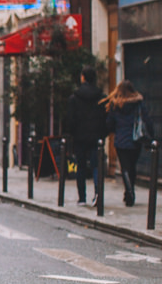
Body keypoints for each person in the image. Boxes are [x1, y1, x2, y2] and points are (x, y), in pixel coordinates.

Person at [64, 66, 108, 206]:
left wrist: (71, 134)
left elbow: (70, 120)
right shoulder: (101, 97)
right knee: (96, 166)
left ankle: (82, 198)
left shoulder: (74, 98)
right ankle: (97, 194)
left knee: (81, 167)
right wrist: (103, 133)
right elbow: (106, 117)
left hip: (80, 137)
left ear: (83, 77)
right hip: (97, 137)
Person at [104, 80, 152, 207]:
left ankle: (129, 192)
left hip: (120, 139)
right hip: (135, 139)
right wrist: (150, 137)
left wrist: (114, 130)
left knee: (125, 167)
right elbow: (146, 120)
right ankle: (129, 191)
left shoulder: (115, 105)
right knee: (132, 166)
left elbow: (109, 123)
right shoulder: (138, 103)